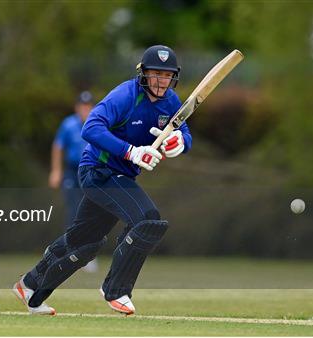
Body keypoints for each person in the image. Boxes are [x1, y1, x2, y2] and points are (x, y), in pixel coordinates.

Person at [13, 45, 192, 316]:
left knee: (84, 242)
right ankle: (116, 289)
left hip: (119, 177)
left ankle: (30, 285)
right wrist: (132, 152)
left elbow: (185, 132)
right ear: (142, 74)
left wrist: (180, 142)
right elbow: (91, 127)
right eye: (155, 74)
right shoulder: (125, 95)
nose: (161, 81)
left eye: (166, 76)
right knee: (147, 219)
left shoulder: (171, 102)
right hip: (99, 171)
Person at [48, 91, 99, 273]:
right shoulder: (68, 124)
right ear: (77, 107)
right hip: (72, 171)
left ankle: (88, 254)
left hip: (92, 173)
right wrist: (56, 171)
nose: (85, 109)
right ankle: (69, 251)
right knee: (74, 211)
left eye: (88, 106)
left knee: (92, 212)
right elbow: (58, 146)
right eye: (82, 106)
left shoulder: (98, 123)